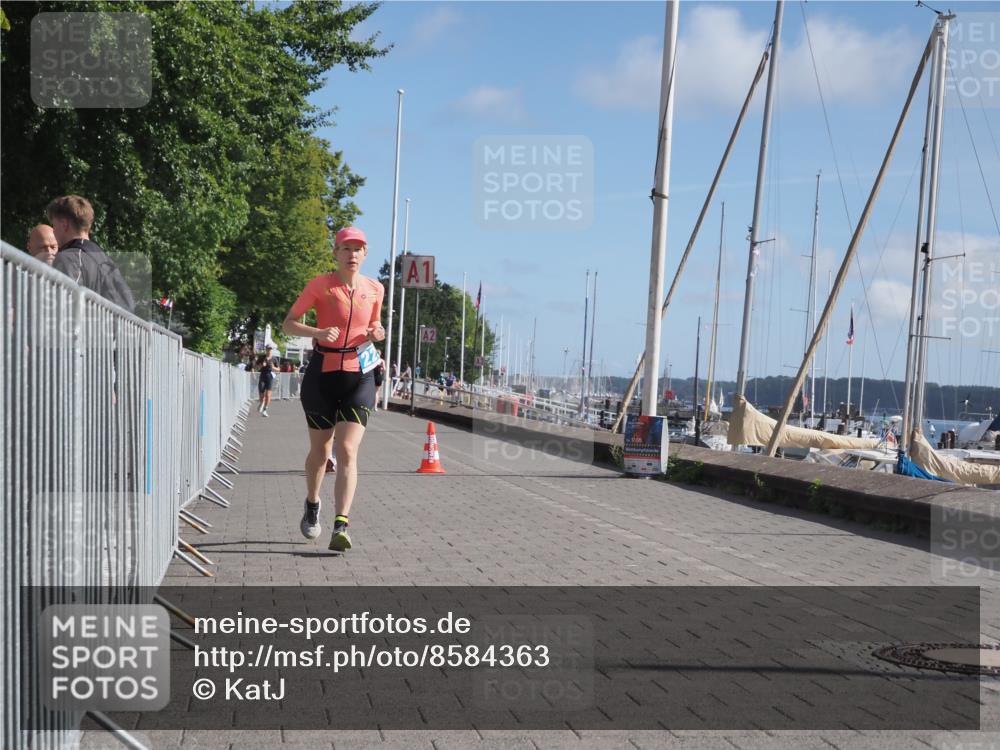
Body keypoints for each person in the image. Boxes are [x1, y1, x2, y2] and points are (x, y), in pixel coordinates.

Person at [282, 226, 385, 552]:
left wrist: (377, 331)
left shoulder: (375, 289)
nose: (352, 254)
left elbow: (375, 325)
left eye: (358, 249)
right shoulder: (321, 285)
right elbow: (288, 322)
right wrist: (317, 331)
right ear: (335, 253)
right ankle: (313, 504)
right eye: (346, 248)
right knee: (322, 453)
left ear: (366, 254)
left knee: (348, 451)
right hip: (322, 374)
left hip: (360, 374)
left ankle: (342, 524)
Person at [48, 195, 135, 313]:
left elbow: (64, 308)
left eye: (54, 225)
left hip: (86, 330)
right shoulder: (107, 262)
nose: (54, 231)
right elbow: (129, 306)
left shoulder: (68, 258)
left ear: (64, 224)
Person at [257, 344, 277, 416]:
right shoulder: (262, 358)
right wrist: (262, 365)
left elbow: (278, 369)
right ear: (266, 349)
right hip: (263, 375)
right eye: (268, 349)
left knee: (268, 395)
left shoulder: (274, 359)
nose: (269, 350)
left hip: (270, 376)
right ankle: (261, 402)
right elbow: (256, 367)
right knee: (261, 392)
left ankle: (265, 410)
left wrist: (274, 367)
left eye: (270, 349)